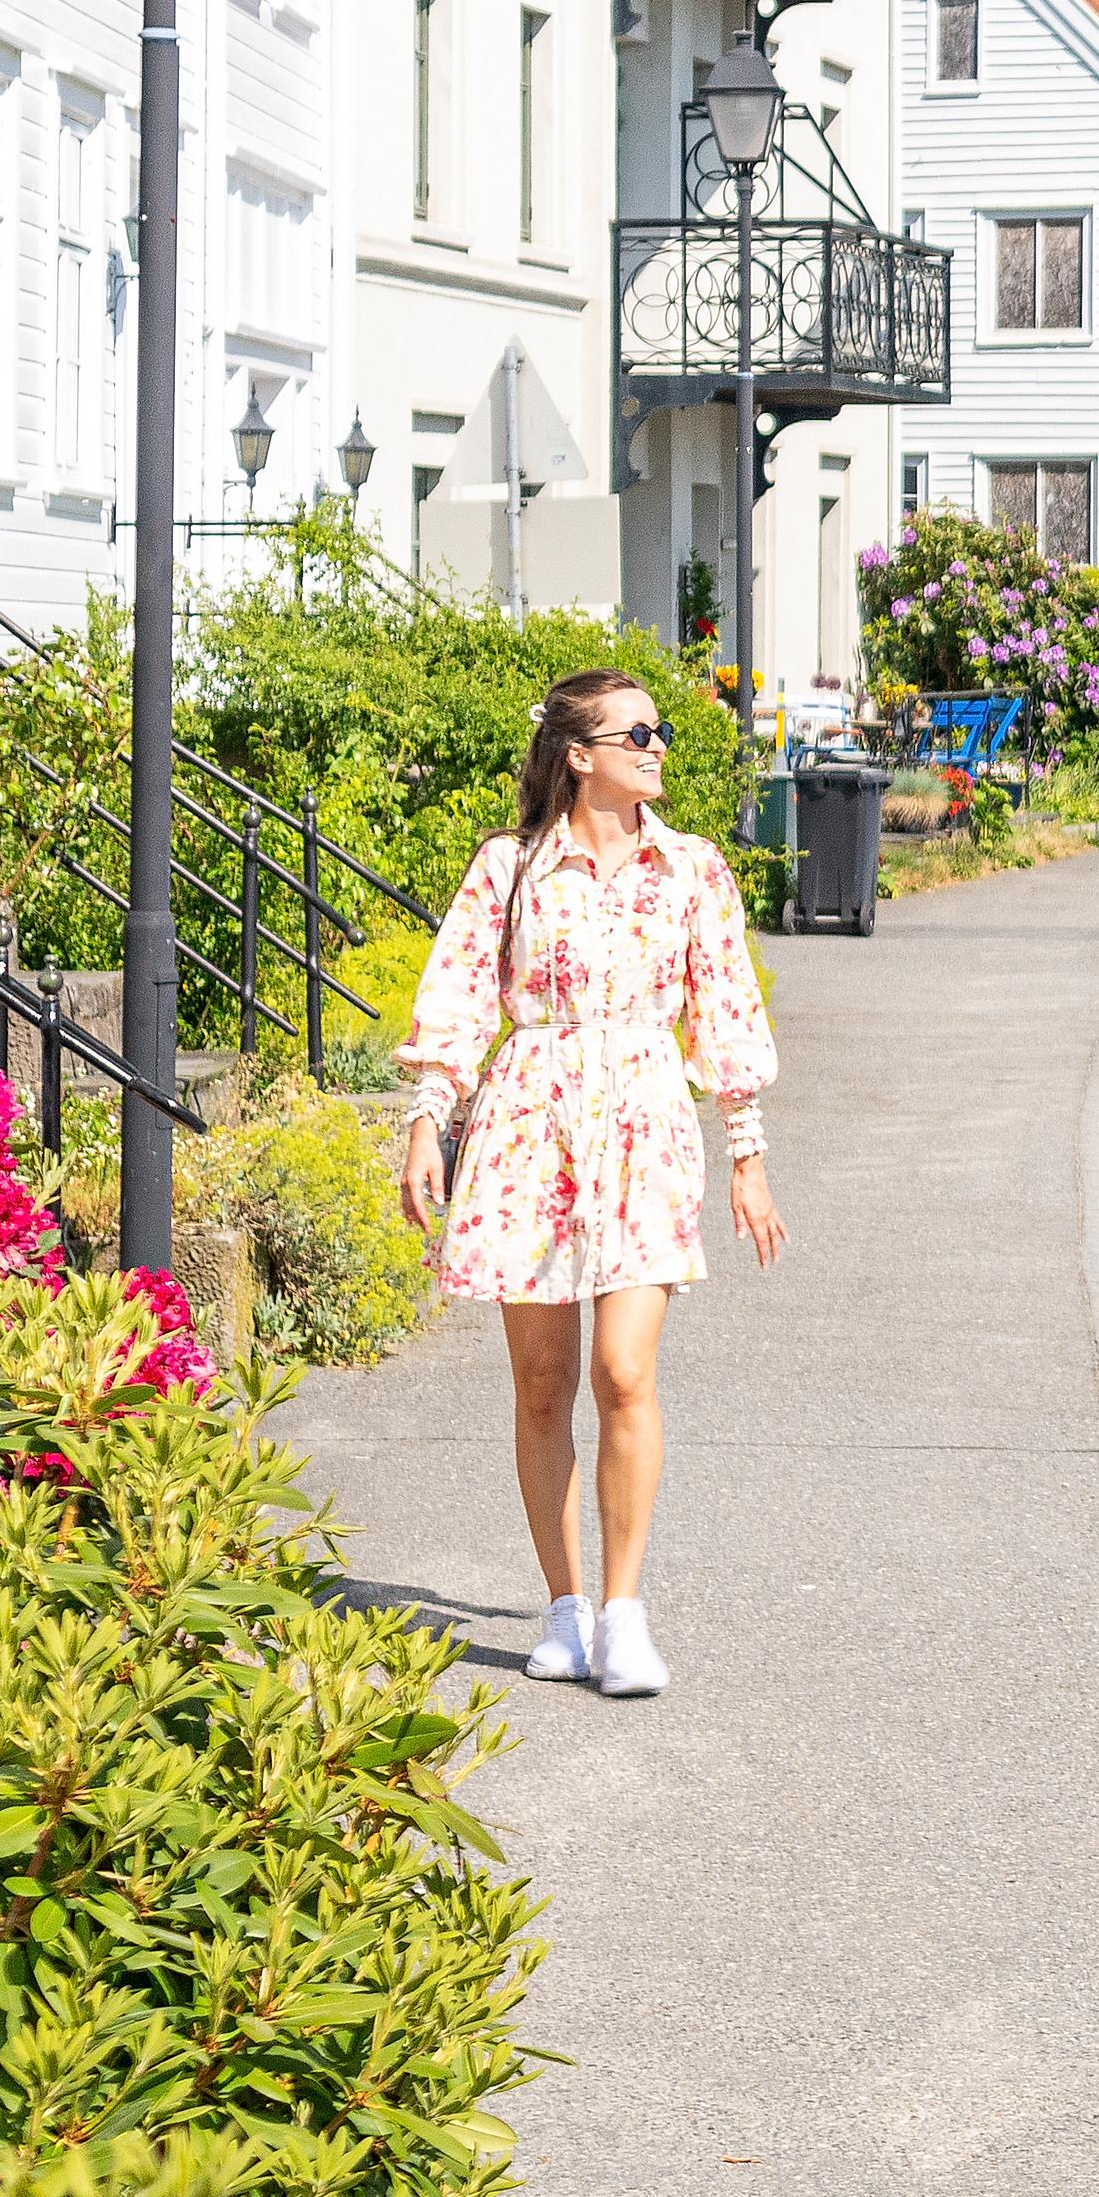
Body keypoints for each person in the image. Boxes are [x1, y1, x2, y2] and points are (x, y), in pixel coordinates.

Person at [401, 667, 781, 1697]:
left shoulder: (692, 871)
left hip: (646, 1126)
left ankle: (624, 1612)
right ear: (579, 754)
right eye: (638, 733)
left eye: (660, 733)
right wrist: (427, 1123)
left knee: (623, 1371)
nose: (659, 748)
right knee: (541, 1383)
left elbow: (728, 1013)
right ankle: (564, 1607)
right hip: (530, 1126)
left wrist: (747, 1156)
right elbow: (459, 999)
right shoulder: (509, 869)